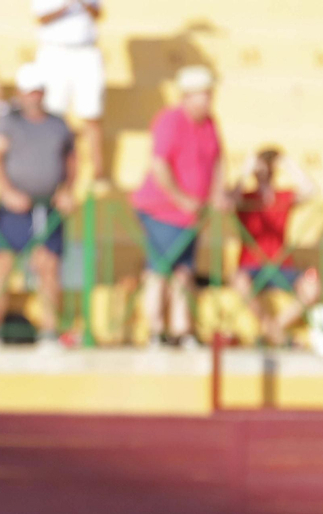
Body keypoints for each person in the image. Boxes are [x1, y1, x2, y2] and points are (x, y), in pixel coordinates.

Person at [130, 65, 226, 349]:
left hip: (191, 215)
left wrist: (217, 193)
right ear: (187, 96)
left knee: (184, 272)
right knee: (159, 270)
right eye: (204, 94)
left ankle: (181, 329)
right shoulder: (170, 120)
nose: (209, 100)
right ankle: (155, 330)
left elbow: (218, 160)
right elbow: (160, 166)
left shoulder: (210, 123)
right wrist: (182, 198)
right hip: (162, 210)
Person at [0, 64, 76, 348]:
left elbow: (70, 161)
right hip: (14, 207)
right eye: (28, 92)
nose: (33, 97)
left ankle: (49, 330)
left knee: (49, 266)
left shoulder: (58, 125)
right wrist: (8, 192)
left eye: (37, 91)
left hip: (47, 206)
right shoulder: (9, 123)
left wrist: (67, 190)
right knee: (4, 265)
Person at [231, 148, 323, 347]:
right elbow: (229, 200)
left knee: (313, 288)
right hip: (251, 267)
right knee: (238, 281)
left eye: (268, 169)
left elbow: (311, 190)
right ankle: (276, 332)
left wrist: (287, 164)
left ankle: (272, 329)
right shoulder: (246, 198)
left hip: (282, 267)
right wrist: (246, 169)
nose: (264, 173)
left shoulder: (282, 197)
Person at [31, 0, 105, 186]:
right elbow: (41, 17)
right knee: (53, 113)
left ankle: (98, 169)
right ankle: (52, 164)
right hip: (55, 51)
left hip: (86, 50)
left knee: (92, 112)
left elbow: (98, 14)